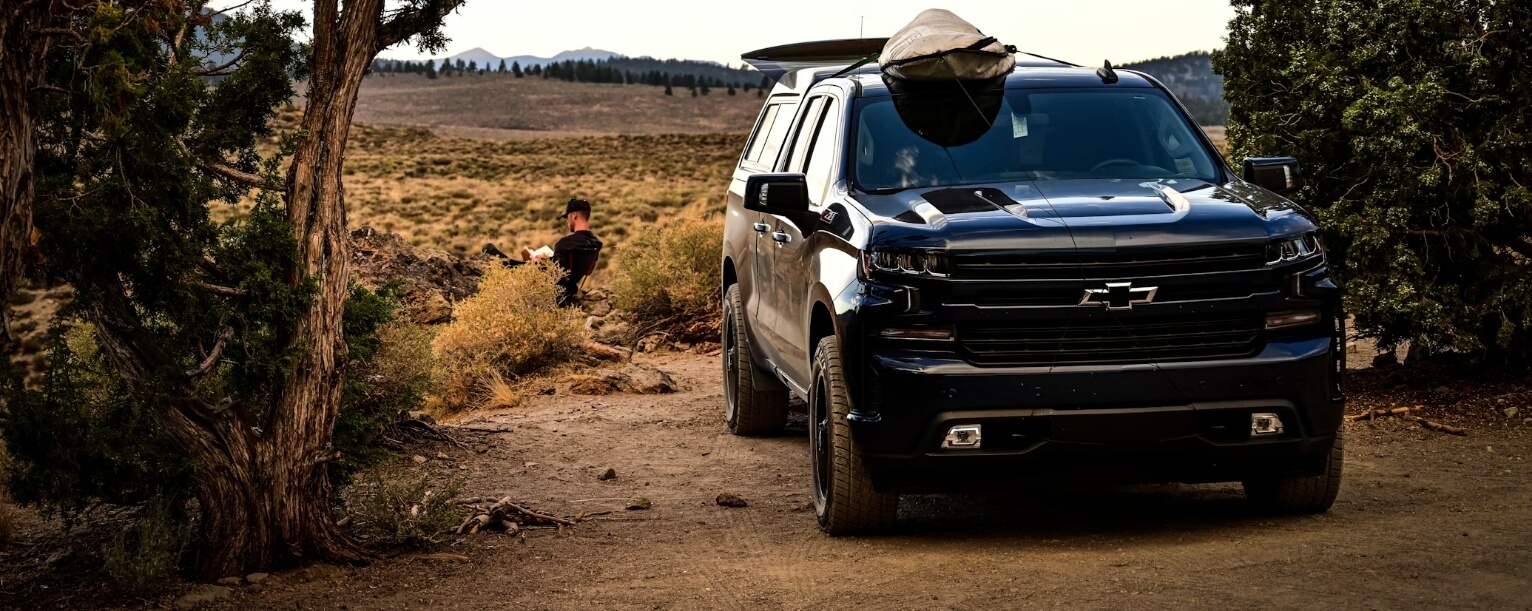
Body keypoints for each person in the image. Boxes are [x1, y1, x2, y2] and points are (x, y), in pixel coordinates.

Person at [483, 198, 603, 305]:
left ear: (574, 215)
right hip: (570, 289)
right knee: (532, 252)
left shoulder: (565, 243)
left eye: (567, 217)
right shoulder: (596, 243)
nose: (567, 222)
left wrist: (539, 263)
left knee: (496, 255)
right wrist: (548, 261)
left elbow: (557, 274)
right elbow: (588, 271)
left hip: (555, 293)